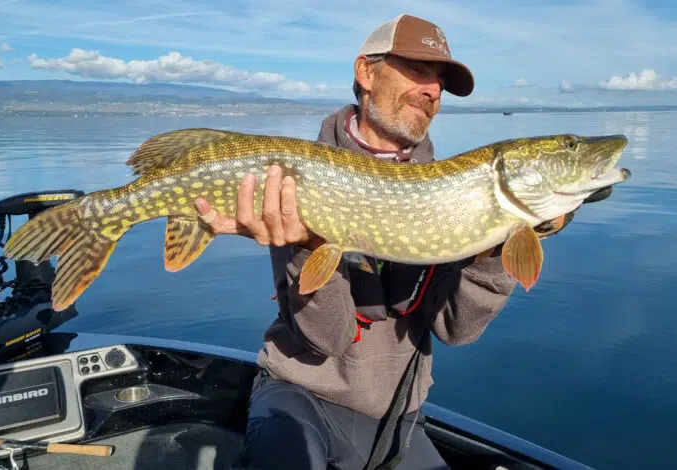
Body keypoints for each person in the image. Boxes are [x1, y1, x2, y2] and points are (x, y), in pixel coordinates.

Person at [193, 14, 602, 470]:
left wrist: (496, 247)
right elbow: (324, 340)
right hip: (299, 393)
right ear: (366, 73)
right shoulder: (297, 182)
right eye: (419, 71)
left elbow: (456, 330)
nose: (433, 91)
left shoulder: (456, 194)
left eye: (441, 82)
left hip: (398, 415)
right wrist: (308, 245)